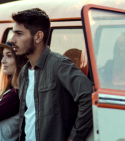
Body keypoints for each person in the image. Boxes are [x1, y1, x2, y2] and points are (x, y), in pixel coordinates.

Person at [10, 8, 93, 141]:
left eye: (19, 34)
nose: (12, 40)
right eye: (13, 33)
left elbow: (88, 95)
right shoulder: (24, 73)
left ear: (38, 36)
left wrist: (74, 137)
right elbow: (28, 115)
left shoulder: (58, 64)